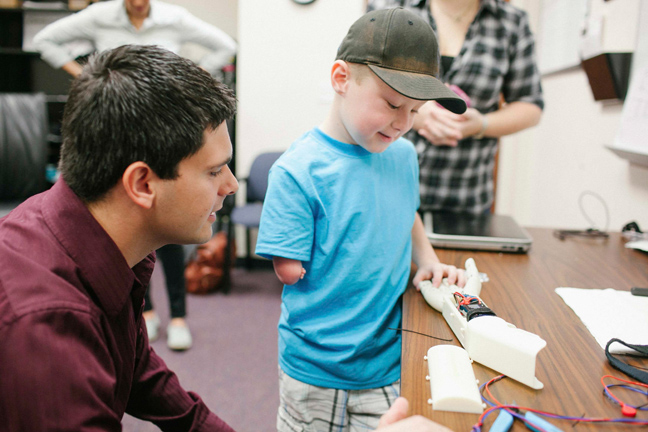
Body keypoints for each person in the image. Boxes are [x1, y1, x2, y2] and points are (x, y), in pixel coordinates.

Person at [0, 45, 239, 431]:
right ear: (142, 184)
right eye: (214, 171)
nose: (230, 185)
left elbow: (134, 366)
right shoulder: (47, 322)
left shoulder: (75, 225)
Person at [255, 8, 467, 431]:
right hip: (316, 370)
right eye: (391, 105)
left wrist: (425, 256)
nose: (403, 123)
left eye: (415, 110)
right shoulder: (299, 170)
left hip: (386, 363)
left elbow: (408, 211)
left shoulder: (402, 155)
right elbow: (289, 271)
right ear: (341, 79)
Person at [33, 0, 238, 350]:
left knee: (173, 222)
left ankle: (177, 316)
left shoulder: (172, 18)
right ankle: (146, 313)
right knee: (128, 227)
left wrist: (187, 79)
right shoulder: (100, 16)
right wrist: (87, 77)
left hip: (166, 132)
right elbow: (44, 41)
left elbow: (226, 46)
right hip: (118, 133)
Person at [367, 0, 544, 215]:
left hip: (465, 196)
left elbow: (530, 104)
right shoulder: (388, 7)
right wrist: (414, 112)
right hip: (384, 188)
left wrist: (480, 125)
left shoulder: (512, 22)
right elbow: (359, 82)